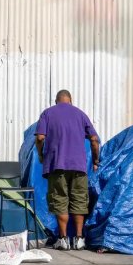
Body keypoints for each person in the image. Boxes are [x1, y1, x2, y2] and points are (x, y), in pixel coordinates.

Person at [34, 90, 100, 251]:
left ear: (56, 101)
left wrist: (41, 154)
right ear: (71, 99)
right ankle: (78, 239)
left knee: (60, 199)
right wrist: (96, 161)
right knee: (79, 201)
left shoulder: (48, 114)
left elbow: (40, 137)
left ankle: (63, 239)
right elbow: (94, 139)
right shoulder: (80, 114)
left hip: (57, 165)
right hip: (78, 165)